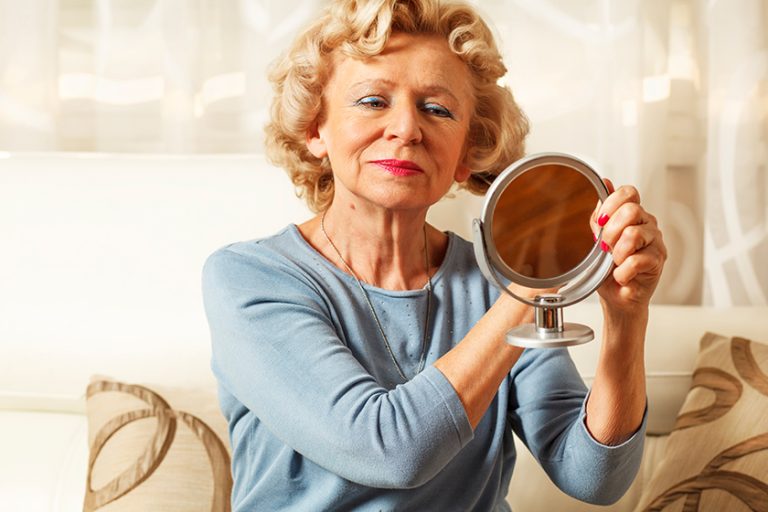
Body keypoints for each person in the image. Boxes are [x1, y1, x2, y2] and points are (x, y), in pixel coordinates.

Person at [202, 0, 667, 510]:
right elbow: (388, 451)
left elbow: (592, 476)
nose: (406, 129)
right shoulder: (251, 279)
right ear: (317, 131)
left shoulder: (495, 283)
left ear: (468, 153)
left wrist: (627, 317)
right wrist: (530, 286)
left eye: (438, 109)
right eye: (373, 101)